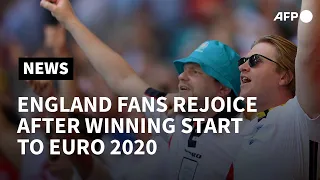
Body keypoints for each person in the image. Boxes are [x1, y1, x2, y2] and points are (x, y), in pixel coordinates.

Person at [29, 0, 251, 180]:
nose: (182, 75)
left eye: (195, 72)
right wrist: (70, 20)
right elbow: (122, 77)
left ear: (222, 88)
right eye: (184, 69)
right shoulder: (173, 118)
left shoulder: (248, 139)